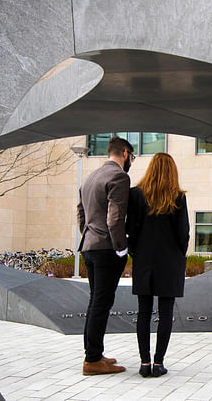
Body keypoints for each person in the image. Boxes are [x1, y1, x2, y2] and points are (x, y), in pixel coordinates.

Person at [126, 153, 189, 378]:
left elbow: (130, 230)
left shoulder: (135, 195)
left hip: (144, 260)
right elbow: (183, 234)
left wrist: (136, 253)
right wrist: (179, 256)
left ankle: (144, 363)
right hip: (170, 261)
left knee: (143, 312)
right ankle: (158, 363)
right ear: (172, 171)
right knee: (166, 313)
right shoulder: (178, 197)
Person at [76, 136, 135, 375]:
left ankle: (95, 353)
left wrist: (89, 235)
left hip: (90, 246)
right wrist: (121, 247)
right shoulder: (119, 176)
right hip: (106, 249)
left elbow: (80, 212)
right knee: (101, 302)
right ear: (124, 152)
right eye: (132, 156)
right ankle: (91, 360)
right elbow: (115, 217)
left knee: (96, 301)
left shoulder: (90, 177)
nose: (132, 161)